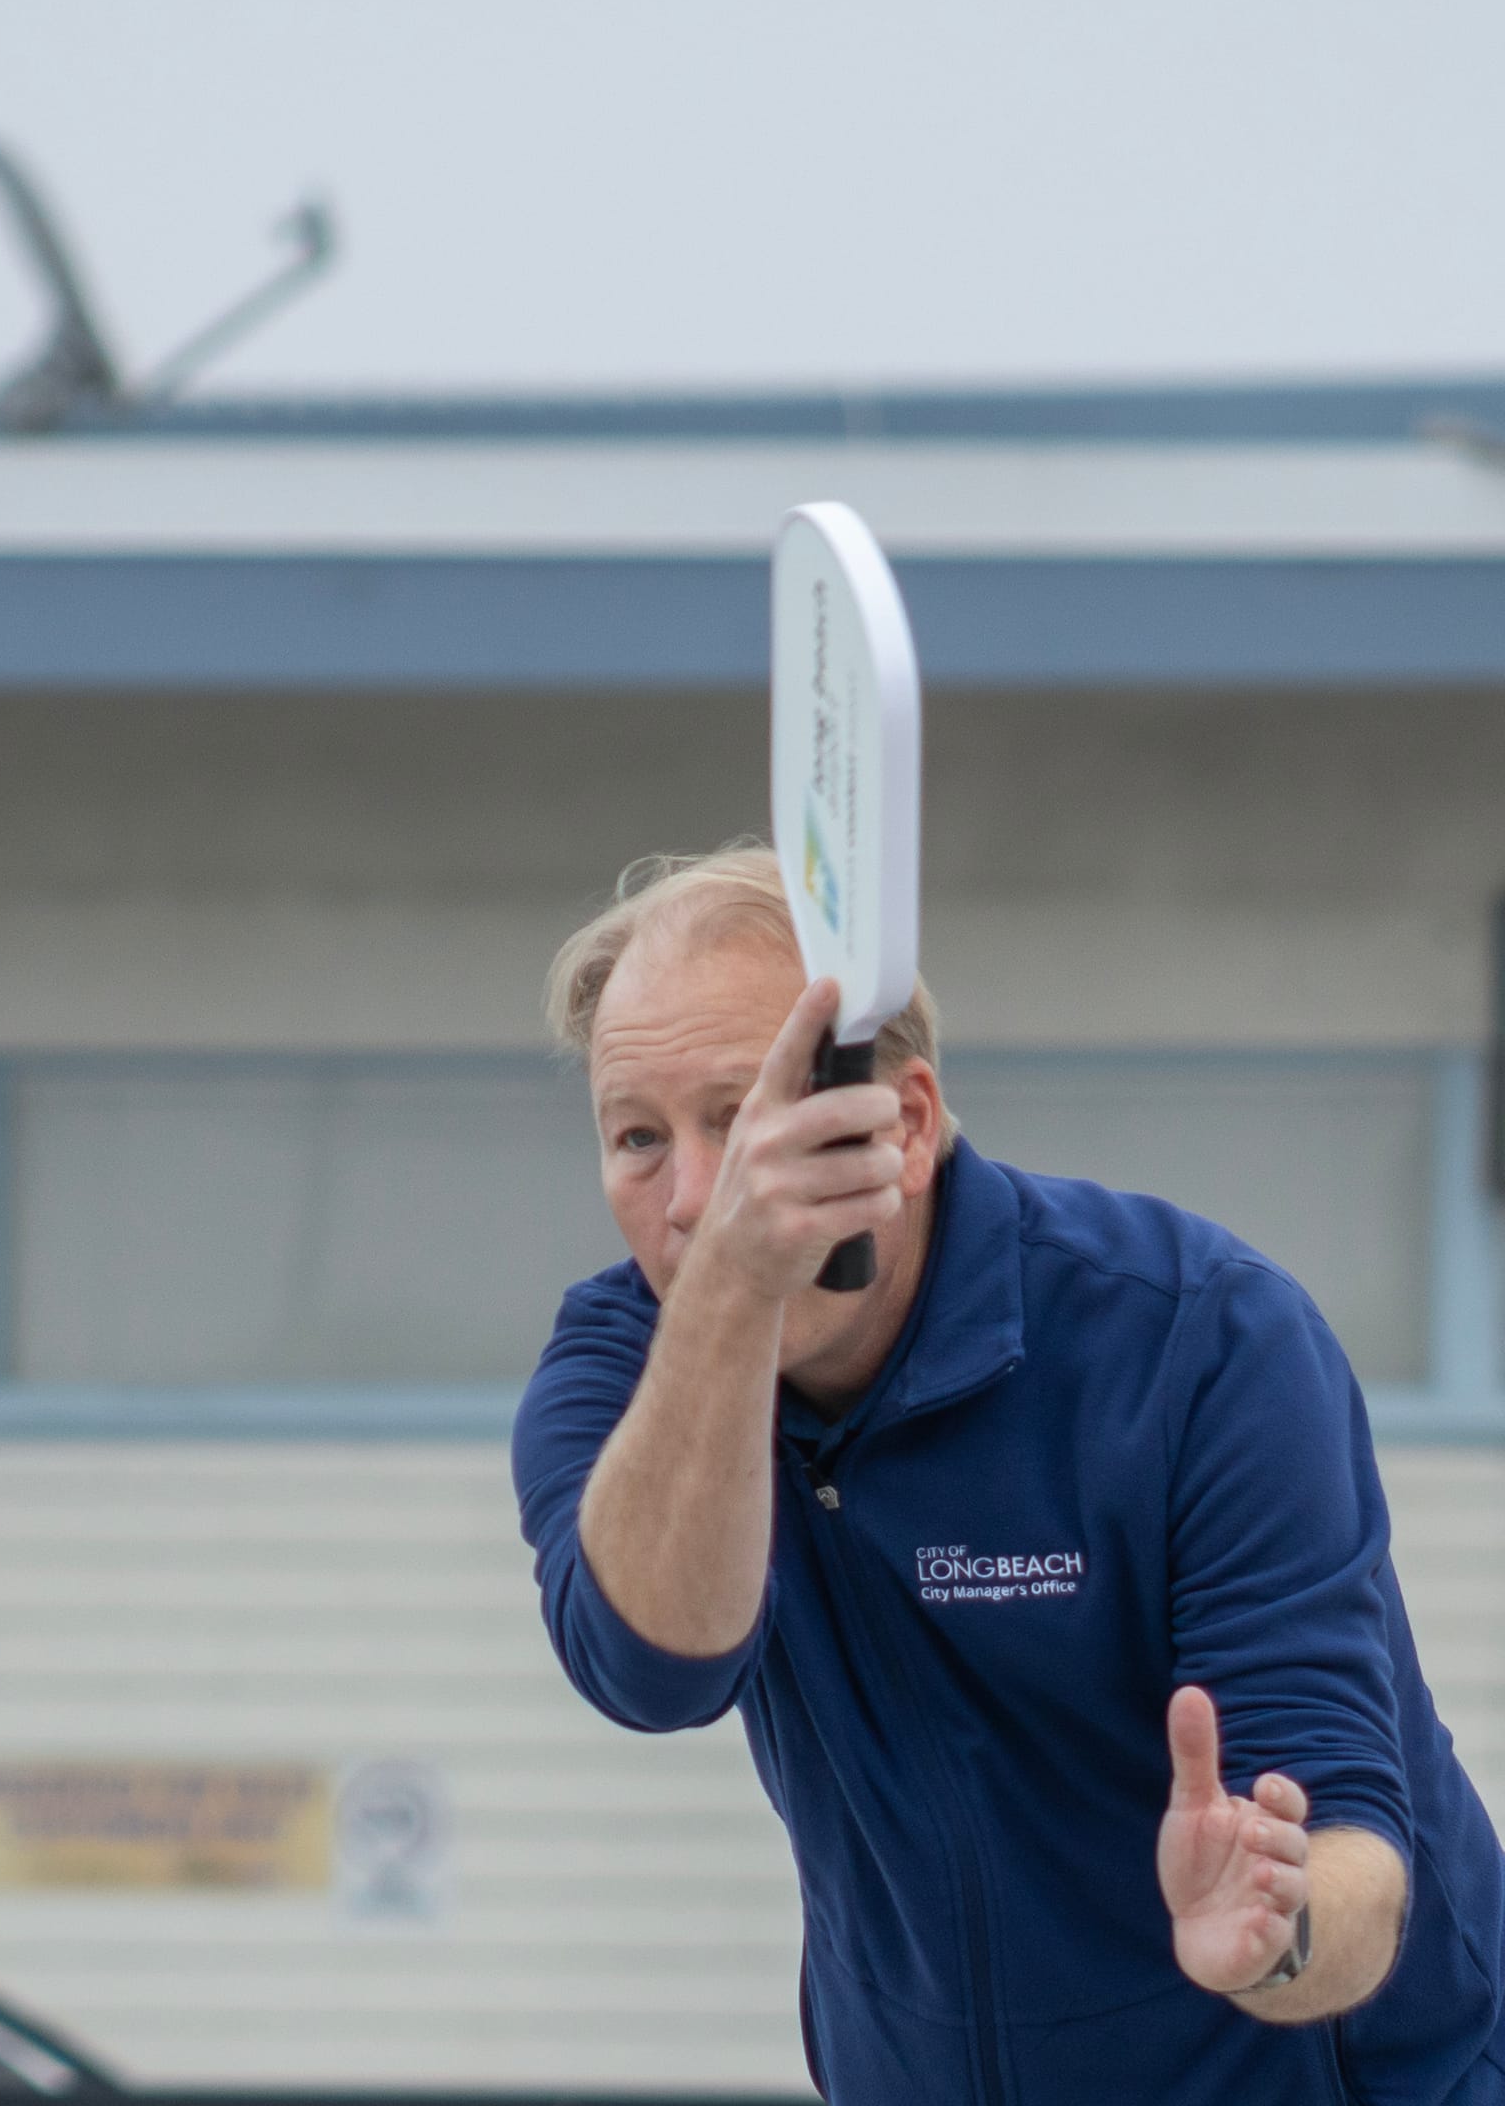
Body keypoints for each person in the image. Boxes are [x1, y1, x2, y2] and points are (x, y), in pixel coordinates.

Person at [512, 845, 1505, 2106]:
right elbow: (653, 1671)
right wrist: (732, 1296)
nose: (694, 1196)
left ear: (905, 1124)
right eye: (637, 1138)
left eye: (743, 1119)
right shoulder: (626, 1364)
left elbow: (1350, 1832)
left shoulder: (1198, 1338)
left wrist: (1274, 1929)